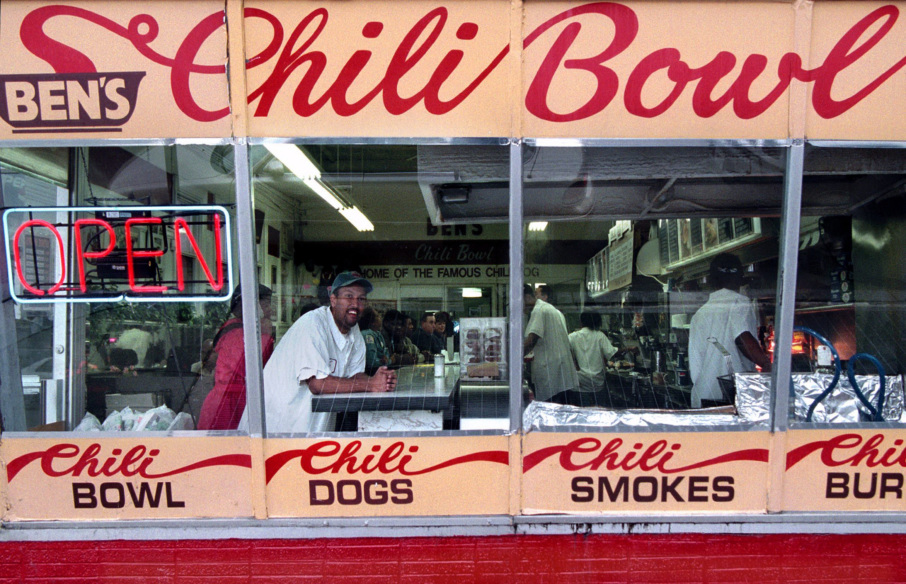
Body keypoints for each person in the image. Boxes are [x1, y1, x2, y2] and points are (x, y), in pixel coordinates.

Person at [241, 271, 397, 433]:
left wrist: (380, 380)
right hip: (277, 429)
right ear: (333, 300)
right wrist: (371, 384)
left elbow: (355, 376)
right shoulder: (313, 324)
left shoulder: (353, 330)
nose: (355, 304)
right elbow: (317, 384)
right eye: (348, 296)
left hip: (313, 431)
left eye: (361, 299)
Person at [689, 253, 772, 408]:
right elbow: (742, 338)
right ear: (740, 278)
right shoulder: (739, 302)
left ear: (712, 280)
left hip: (703, 397)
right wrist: (767, 365)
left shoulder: (699, 315)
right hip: (730, 398)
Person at [197, 284, 275, 430]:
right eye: (265, 304)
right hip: (234, 404)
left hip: (228, 401)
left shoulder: (232, 328)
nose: (270, 310)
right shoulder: (244, 333)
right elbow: (254, 370)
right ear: (252, 305)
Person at [523, 284, 579, 403]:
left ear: (527, 297)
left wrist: (514, 359)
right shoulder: (554, 311)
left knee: (551, 413)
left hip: (552, 374)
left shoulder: (539, 310)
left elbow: (531, 340)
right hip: (561, 374)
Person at [568, 311, 625, 404]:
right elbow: (612, 353)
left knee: (581, 414)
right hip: (596, 383)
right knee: (598, 413)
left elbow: (565, 355)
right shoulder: (599, 336)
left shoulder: (572, 337)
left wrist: (575, 363)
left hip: (579, 382)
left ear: (581, 322)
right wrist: (628, 349)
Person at [359, 307, 390, 375]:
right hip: (371, 372)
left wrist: (387, 359)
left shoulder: (378, 334)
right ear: (372, 322)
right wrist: (383, 361)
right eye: (378, 316)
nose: (380, 318)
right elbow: (371, 361)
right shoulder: (368, 335)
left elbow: (386, 351)